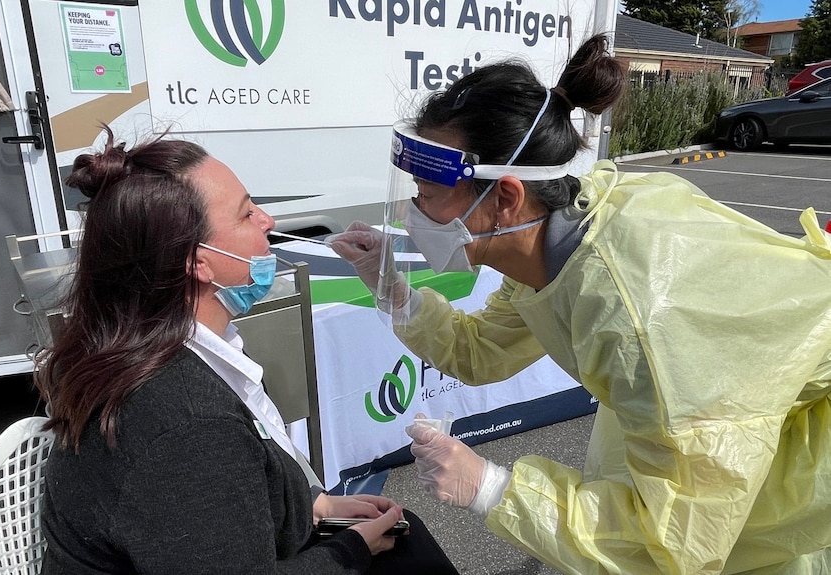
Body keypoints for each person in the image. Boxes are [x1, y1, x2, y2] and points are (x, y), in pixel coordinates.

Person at [327, 34, 831, 574]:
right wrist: (391, 289)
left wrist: (491, 488)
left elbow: (675, 543)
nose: (413, 212)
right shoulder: (559, 237)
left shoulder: (638, 319)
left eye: (426, 194)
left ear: (505, 198)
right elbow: (481, 353)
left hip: (784, 427)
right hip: (704, 394)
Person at [34, 127, 459, 574]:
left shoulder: (147, 348)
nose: (268, 221)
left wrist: (317, 508)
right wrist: (348, 548)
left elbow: (230, 499)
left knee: (402, 532)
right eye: (245, 214)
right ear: (197, 261)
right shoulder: (187, 423)